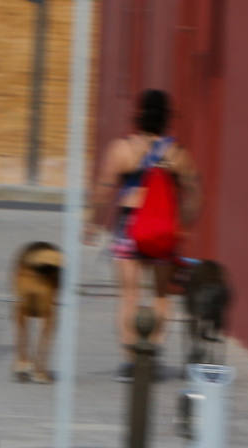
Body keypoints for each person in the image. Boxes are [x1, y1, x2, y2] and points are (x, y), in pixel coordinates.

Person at [91, 88, 200, 382]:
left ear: (138, 116)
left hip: (129, 227)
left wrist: (93, 223)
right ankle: (151, 354)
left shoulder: (122, 149)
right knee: (162, 296)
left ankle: (130, 360)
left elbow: (103, 190)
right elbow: (193, 195)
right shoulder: (177, 154)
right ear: (167, 118)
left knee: (129, 295)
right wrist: (184, 224)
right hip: (164, 230)